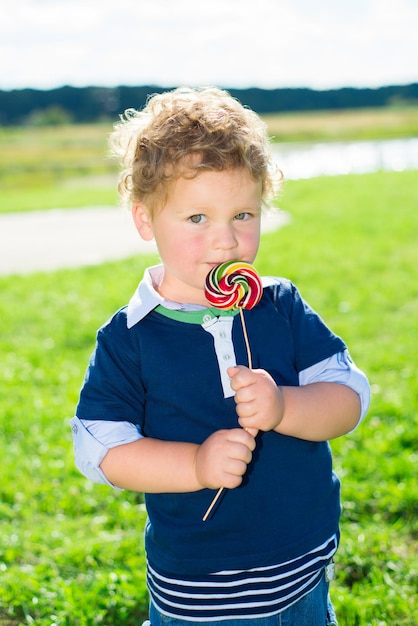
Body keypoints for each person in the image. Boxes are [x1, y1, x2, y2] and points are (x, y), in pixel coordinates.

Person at [71, 86, 370, 625]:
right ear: (145, 221)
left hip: (302, 563)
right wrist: (195, 464)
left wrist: (286, 408)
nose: (226, 241)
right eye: (197, 219)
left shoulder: (279, 304)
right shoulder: (130, 337)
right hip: (200, 587)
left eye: (243, 214)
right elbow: (101, 449)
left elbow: (349, 397)